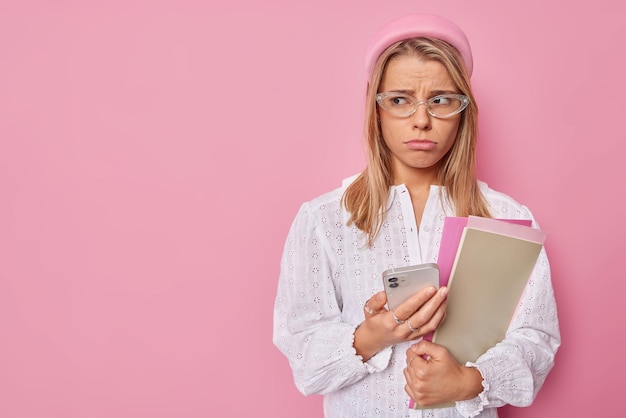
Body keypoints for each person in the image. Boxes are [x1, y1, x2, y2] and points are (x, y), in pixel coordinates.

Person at [273, 13, 560, 418]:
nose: (422, 120)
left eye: (441, 100)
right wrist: (368, 338)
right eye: (400, 100)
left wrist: (468, 381)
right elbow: (302, 353)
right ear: (377, 110)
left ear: (463, 111)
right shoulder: (324, 219)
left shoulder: (506, 217)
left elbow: (537, 338)